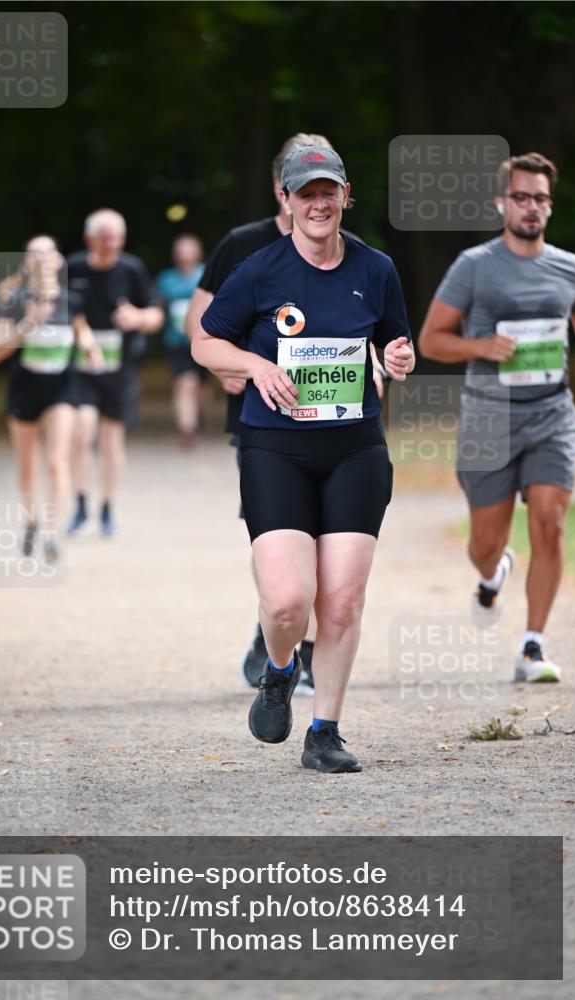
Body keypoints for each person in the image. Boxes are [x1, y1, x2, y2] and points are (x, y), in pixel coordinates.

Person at [192, 144, 414, 773]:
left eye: (329, 191)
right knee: (288, 602)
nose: (318, 204)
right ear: (286, 202)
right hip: (276, 450)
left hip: (354, 448)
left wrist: (396, 361)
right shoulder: (261, 270)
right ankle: (282, 668)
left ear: (346, 196)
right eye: (305, 193)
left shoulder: (376, 269)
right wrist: (256, 364)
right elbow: (207, 341)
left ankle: (326, 733)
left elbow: (394, 345)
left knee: (341, 601)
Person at [419, 152, 575, 682]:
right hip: (488, 416)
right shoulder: (474, 265)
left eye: (539, 198)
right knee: (485, 543)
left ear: (549, 207)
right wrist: (484, 346)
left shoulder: (571, 268)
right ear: (501, 203)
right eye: (521, 197)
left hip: (553, 413)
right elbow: (431, 341)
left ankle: (532, 646)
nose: (530, 207)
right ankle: (492, 577)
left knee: (552, 524)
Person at [0, 235, 100, 562]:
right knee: (27, 464)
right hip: (24, 390)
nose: (40, 260)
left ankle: (52, 533)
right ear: (26, 262)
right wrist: (27, 324)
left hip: (62, 389)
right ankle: (32, 521)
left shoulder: (71, 300)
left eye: (46, 254)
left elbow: (83, 332)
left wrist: (91, 350)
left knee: (56, 460)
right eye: (33, 254)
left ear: (59, 261)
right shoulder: (14, 300)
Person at [67, 209, 164, 536]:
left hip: (120, 366)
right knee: (81, 431)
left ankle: (107, 507)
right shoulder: (74, 268)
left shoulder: (132, 269)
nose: (113, 243)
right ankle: (80, 504)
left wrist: (137, 318)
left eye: (117, 237)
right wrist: (81, 334)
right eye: (106, 237)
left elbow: (155, 316)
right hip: (82, 365)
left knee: (111, 442)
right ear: (90, 238)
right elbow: (60, 310)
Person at [156, 234, 211, 448]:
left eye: (188, 249)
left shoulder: (207, 274)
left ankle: (201, 415)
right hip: (177, 342)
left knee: (201, 388)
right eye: (179, 250)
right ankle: (187, 428)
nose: (183, 254)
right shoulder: (166, 279)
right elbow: (158, 306)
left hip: (205, 340)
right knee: (184, 383)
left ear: (198, 252)